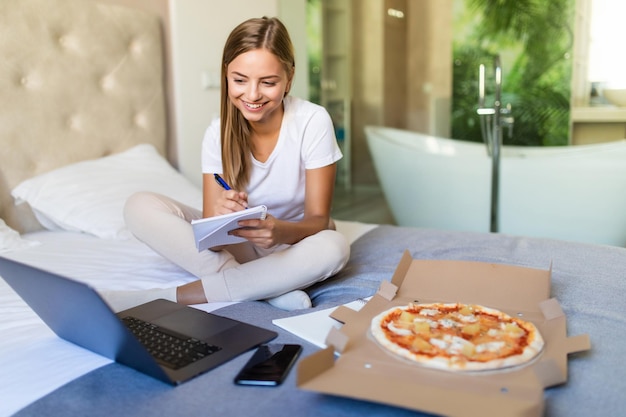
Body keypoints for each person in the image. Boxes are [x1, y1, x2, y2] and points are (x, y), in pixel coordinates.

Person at [102, 16, 349, 312]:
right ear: (226, 75)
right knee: (138, 206)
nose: (253, 95)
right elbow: (213, 245)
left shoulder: (313, 121)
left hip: (292, 244)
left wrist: (278, 232)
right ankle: (266, 288)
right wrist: (218, 219)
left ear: (289, 78)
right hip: (240, 246)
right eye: (240, 80)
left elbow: (319, 219)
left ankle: (168, 296)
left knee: (334, 246)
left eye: (268, 82)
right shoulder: (217, 134)